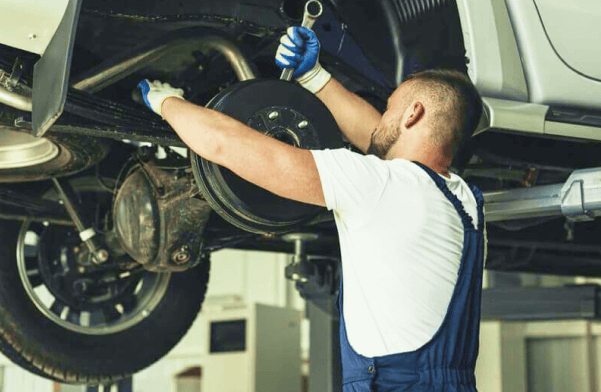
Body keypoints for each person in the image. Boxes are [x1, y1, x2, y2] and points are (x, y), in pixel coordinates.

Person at [138, 26, 486, 391]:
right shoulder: (462, 199)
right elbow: (379, 137)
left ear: (413, 114)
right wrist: (314, 76)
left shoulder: (381, 186)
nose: (380, 119)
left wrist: (167, 102)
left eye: (388, 109)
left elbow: (226, 145)